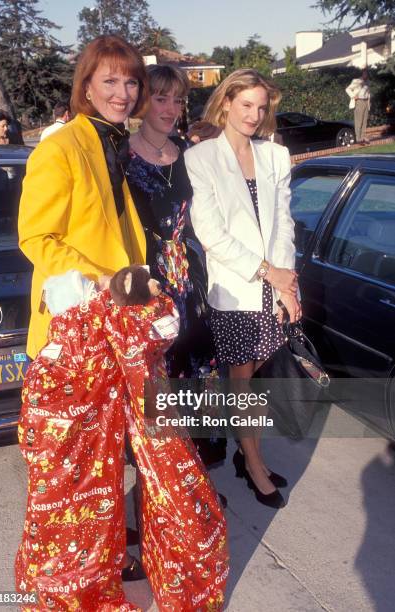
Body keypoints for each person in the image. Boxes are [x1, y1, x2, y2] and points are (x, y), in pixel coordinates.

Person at [18, 34, 149, 580]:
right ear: (87, 86)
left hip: (114, 327)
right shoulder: (61, 146)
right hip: (73, 331)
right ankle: (75, 567)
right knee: (75, 461)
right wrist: (107, 281)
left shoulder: (114, 142)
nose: (122, 92)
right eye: (110, 81)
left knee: (105, 453)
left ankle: (104, 552)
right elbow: (36, 236)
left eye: (130, 80)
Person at [185, 68, 301, 509]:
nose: (254, 115)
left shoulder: (275, 155)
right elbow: (211, 233)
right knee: (242, 382)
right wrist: (267, 272)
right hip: (236, 289)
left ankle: (246, 454)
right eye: (246, 105)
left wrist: (286, 283)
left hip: (273, 287)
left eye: (261, 107)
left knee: (255, 379)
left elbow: (285, 223)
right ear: (227, 102)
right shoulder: (201, 158)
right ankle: (253, 464)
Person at [125, 64, 227, 468]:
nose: (170, 108)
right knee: (157, 379)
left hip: (190, 277)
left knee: (199, 371)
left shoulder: (188, 152)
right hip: (149, 282)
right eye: (161, 98)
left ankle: (193, 475)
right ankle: (162, 485)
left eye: (178, 99)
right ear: (142, 102)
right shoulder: (121, 156)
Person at [346, 69, 371, 144]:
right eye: (364, 73)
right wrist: (353, 96)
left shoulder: (368, 82)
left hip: (366, 102)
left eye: (367, 74)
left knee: (364, 121)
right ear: (362, 74)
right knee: (358, 121)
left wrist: (369, 102)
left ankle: (363, 137)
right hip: (359, 101)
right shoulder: (356, 81)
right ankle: (358, 138)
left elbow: (368, 92)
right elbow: (347, 89)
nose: (365, 75)